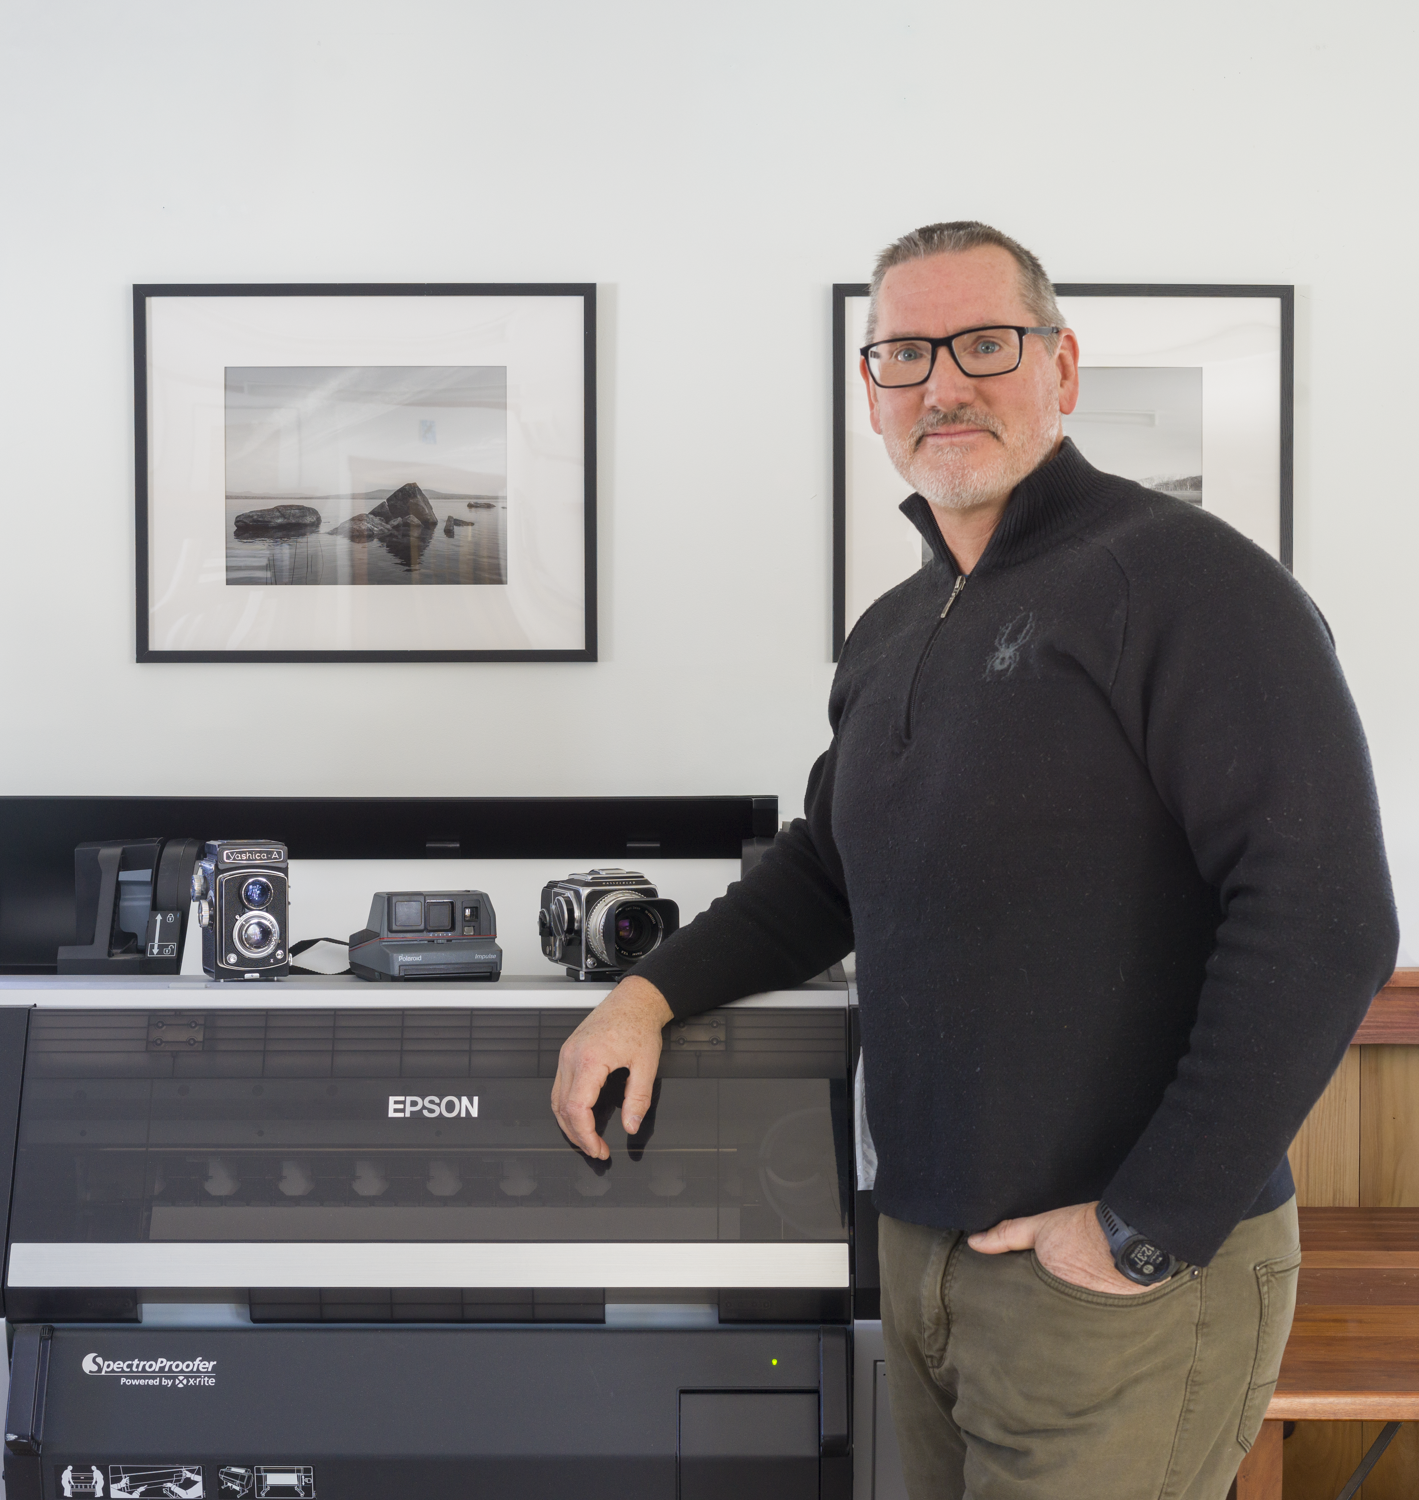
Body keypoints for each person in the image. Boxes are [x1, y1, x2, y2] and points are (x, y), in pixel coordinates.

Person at [550, 221, 1398, 1499]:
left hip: (1117, 1281)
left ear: (1062, 367)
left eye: (984, 344)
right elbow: (827, 871)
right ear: (872, 391)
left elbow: (1326, 918)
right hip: (927, 1257)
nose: (943, 383)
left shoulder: (1192, 584)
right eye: (905, 354)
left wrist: (1142, 1232)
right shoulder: (893, 629)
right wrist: (646, 994)